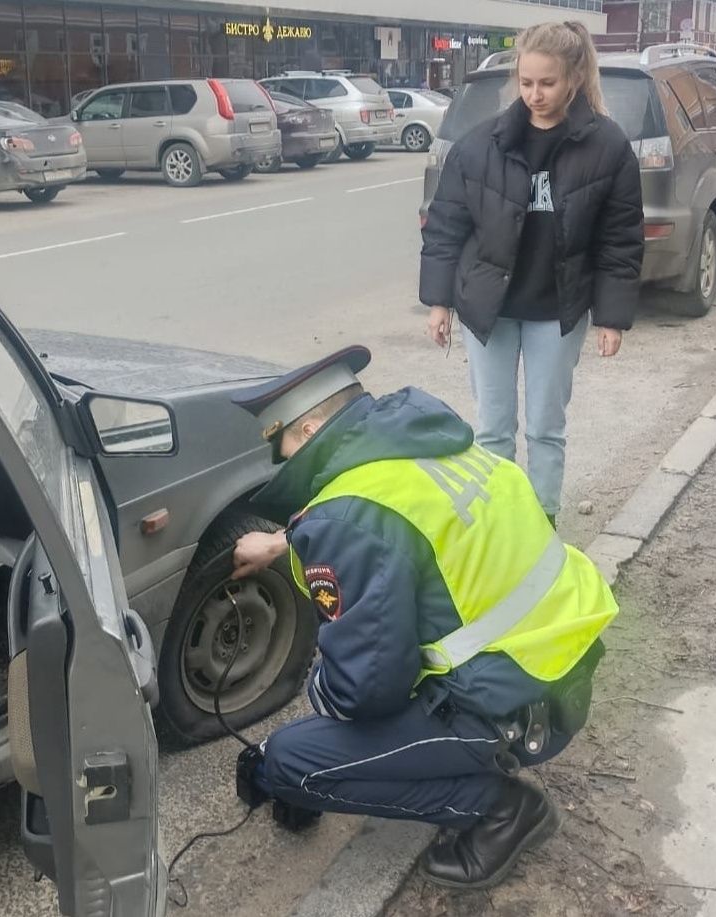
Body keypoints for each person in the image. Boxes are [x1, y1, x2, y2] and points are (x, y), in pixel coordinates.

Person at [230, 345, 618, 890]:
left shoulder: (351, 513)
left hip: (505, 713)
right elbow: (397, 524)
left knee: (291, 761)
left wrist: (320, 683)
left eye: (283, 442)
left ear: (312, 426)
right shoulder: (429, 444)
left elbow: (363, 693)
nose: (280, 459)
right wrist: (287, 539)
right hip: (557, 667)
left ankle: (501, 809)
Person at [419, 21, 644, 526]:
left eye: (547, 83)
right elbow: (446, 226)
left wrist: (612, 318)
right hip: (489, 310)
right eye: (526, 83)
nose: (535, 94)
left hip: (556, 311)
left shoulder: (606, 146)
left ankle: (542, 529)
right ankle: (502, 530)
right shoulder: (481, 145)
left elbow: (620, 240)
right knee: (493, 429)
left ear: (573, 78)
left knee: (546, 428)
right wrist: (438, 302)